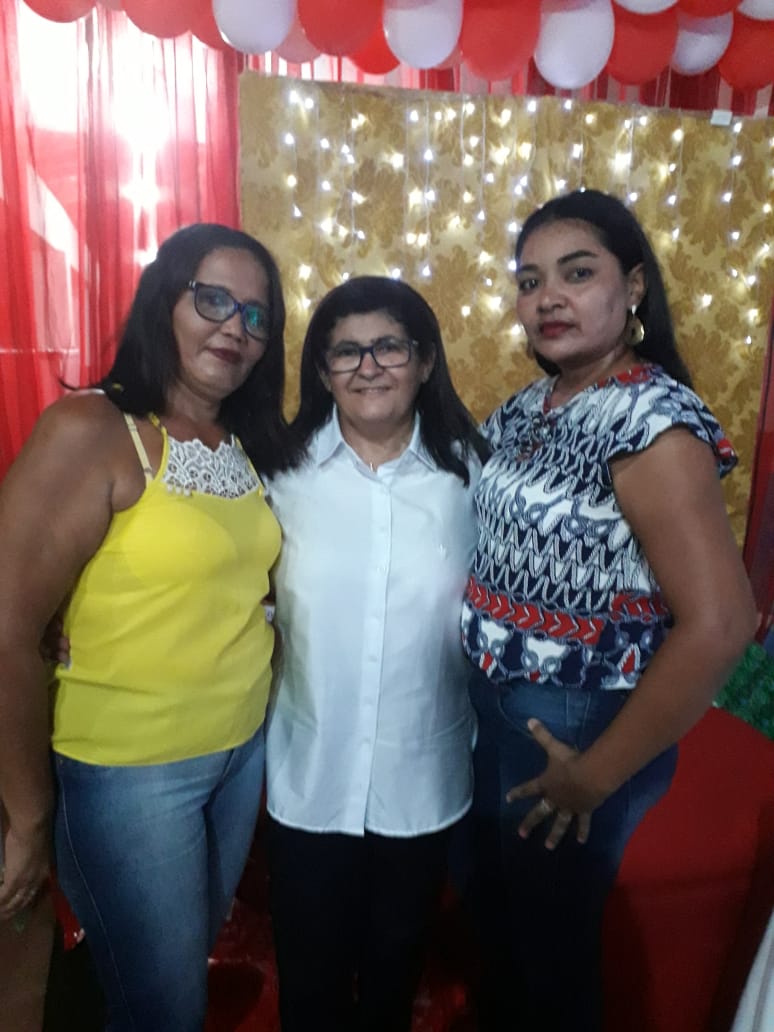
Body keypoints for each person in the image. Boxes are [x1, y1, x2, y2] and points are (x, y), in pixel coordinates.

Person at [460, 189, 757, 1031]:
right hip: (499, 706)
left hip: (577, 723)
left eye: (577, 273)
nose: (547, 297)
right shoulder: (535, 403)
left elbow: (722, 623)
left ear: (632, 287)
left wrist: (594, 775)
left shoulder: (649, 420)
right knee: (502, 931)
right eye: (530, 281)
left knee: (551, 965)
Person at [0, 222, 300, 1031]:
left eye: (257, 315)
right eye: (214, 299)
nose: (235, 327)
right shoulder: (94, 430)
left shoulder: (247, 444)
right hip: (131, 774)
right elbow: (7, 626)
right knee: (165, 1008)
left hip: (240, 754)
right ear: (164, 300)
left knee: (160, 981)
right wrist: (27, 816)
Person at [263, 275, 489, 1032]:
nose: (368, 367)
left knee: (395, 974)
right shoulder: (279, 472)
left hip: (422, 777)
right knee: (310, 981)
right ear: (322, 371)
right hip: (309, 775)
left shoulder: (473, 476)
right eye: (346, 351)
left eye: (388, 346)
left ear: (424, 361)